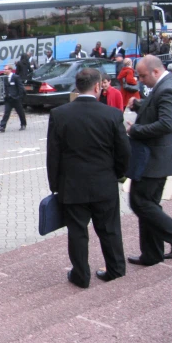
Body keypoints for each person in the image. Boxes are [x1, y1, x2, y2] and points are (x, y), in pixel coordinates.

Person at [47, 69, 129, 288]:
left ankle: (81, 275)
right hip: (104, 184)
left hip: (72, 186)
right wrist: (117, 174)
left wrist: (55, 185)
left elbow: (53, 155)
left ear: (77, 86)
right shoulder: (112, 115)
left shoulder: (59, 114)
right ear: (96, 87)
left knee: (77, 232)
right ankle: (116, 269)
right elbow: (124, 152)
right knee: (110, 229)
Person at [126, 55, 172, 266]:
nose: (140, 80)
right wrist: (139, 105)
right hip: (158, 156)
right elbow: (156, 106)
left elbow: (167, 124)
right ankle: (152, 254)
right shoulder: (169, 82)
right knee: (149, 204)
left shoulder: (168, 88)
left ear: (156, 71)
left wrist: (135, 130)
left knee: (140, 202)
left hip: (156, 158)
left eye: (143, 75)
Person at [0, 64, 27, 132]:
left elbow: (20, 87)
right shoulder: (5, 78)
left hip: (16, 99)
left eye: (5, 69)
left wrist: (19, 97)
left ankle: (23, 124)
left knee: (20, 112)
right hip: (8, 99)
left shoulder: (16, 77)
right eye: (4, 69)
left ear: (10, 70)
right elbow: (6, 88)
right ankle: (2, 126)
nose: (4, 70)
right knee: (6, 112)